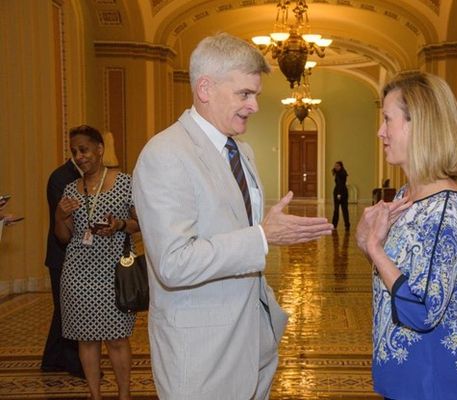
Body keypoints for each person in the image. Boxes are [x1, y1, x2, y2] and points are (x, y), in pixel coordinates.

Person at [131, 33, 333, 400]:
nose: (254, 106)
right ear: (205, 88)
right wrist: (261, 237)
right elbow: (173, 263)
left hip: (253, 339)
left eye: (255, 93)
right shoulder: (165, 154)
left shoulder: (242, 150)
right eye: (245, 94)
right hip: (202, 352)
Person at [356, 71, 457, 400]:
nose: (380, 132)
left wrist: (375, 249)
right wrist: (367, 239)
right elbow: (398, 273)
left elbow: (422, 310)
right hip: (404, 372)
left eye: (387, 120)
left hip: (428, 380)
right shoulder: (409, 194)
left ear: (419, 125)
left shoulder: (443, 212)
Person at [55, 125, 139, 400]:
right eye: (75, 151)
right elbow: (64, 236)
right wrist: (60, 215)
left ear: (100, 149)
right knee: (86, 338)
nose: (79, 157)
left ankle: (124, 394)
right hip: (78, 272)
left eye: (84, 150)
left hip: (114, 272)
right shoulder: (71, 188)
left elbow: (142, 223)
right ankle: (95, 395)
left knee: (116, 338)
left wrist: (119, 225)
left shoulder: (125, 182)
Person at [41, 157, 84, 378]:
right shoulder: (62, 178)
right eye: (78, 150)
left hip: (74, 256)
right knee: (66, 311)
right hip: (61, 255)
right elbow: (68, 219)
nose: (81, 155)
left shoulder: (78, 176)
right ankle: (71, 362)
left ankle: (52, 360)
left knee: (64, 311)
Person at [332, 161, 350, 230]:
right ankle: (347, 225)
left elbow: (340, 184)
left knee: (337, 210)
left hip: (339, 193)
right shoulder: (342, 173)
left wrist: (339, 194)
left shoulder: (341, 174)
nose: (336, 167)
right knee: (344, 209)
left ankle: (334, 225)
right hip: (343, 192)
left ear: (340, 166)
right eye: (335, 166)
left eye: (337, 166)